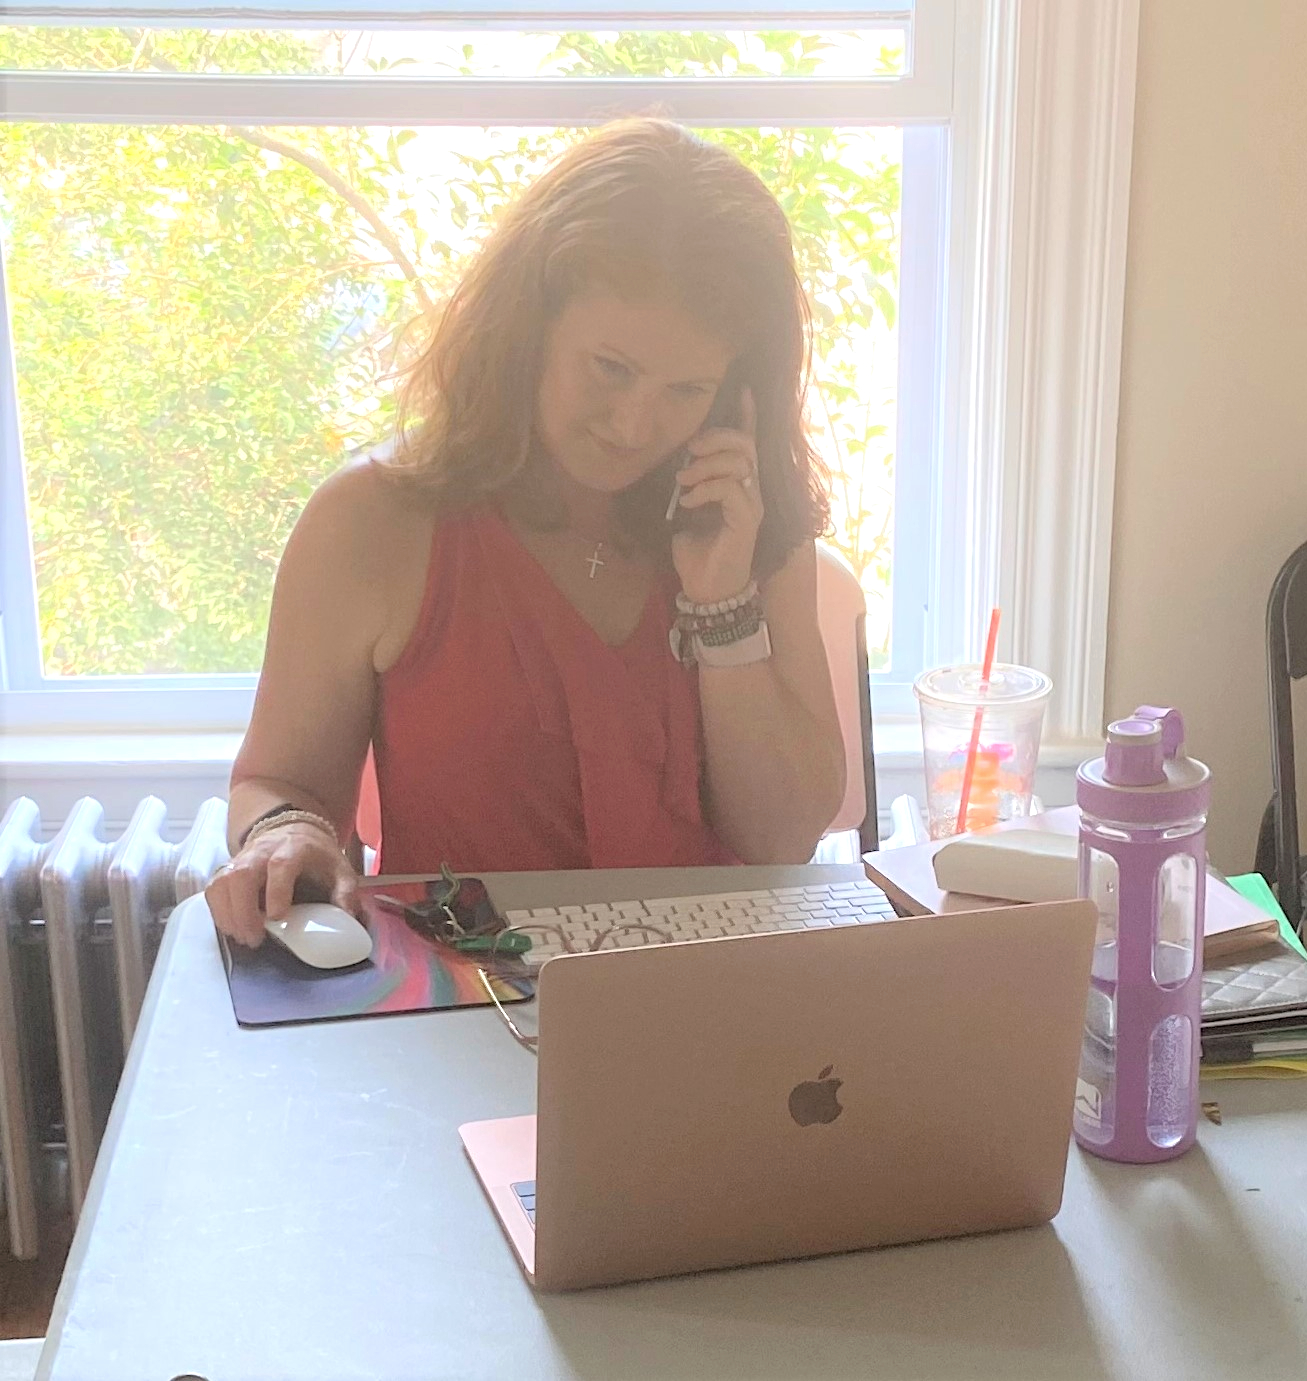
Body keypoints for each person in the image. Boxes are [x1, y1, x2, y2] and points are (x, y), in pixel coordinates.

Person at [207, 118, 846, 947]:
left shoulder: (751, 528)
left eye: (687, 391)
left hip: (703, 992)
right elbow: (278, 780)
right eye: (610, 368)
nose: (634, 425)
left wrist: (724, 603)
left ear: (734, 395)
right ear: (528, 328)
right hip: (466, 994)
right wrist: (284, 830)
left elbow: (781, 839)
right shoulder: (373, 522)